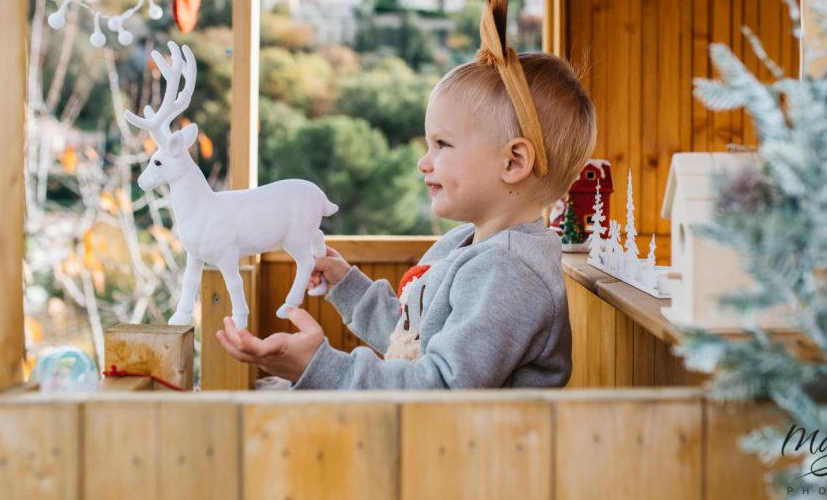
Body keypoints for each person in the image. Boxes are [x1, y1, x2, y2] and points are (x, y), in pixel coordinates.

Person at [217, 51, 597, 389]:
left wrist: (320, 367)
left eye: (442, 145)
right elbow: (412, 339)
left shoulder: (509, 274)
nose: (423, 162)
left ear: (513, 162)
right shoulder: (465, 243)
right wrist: (347, 286)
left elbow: (440, 389)